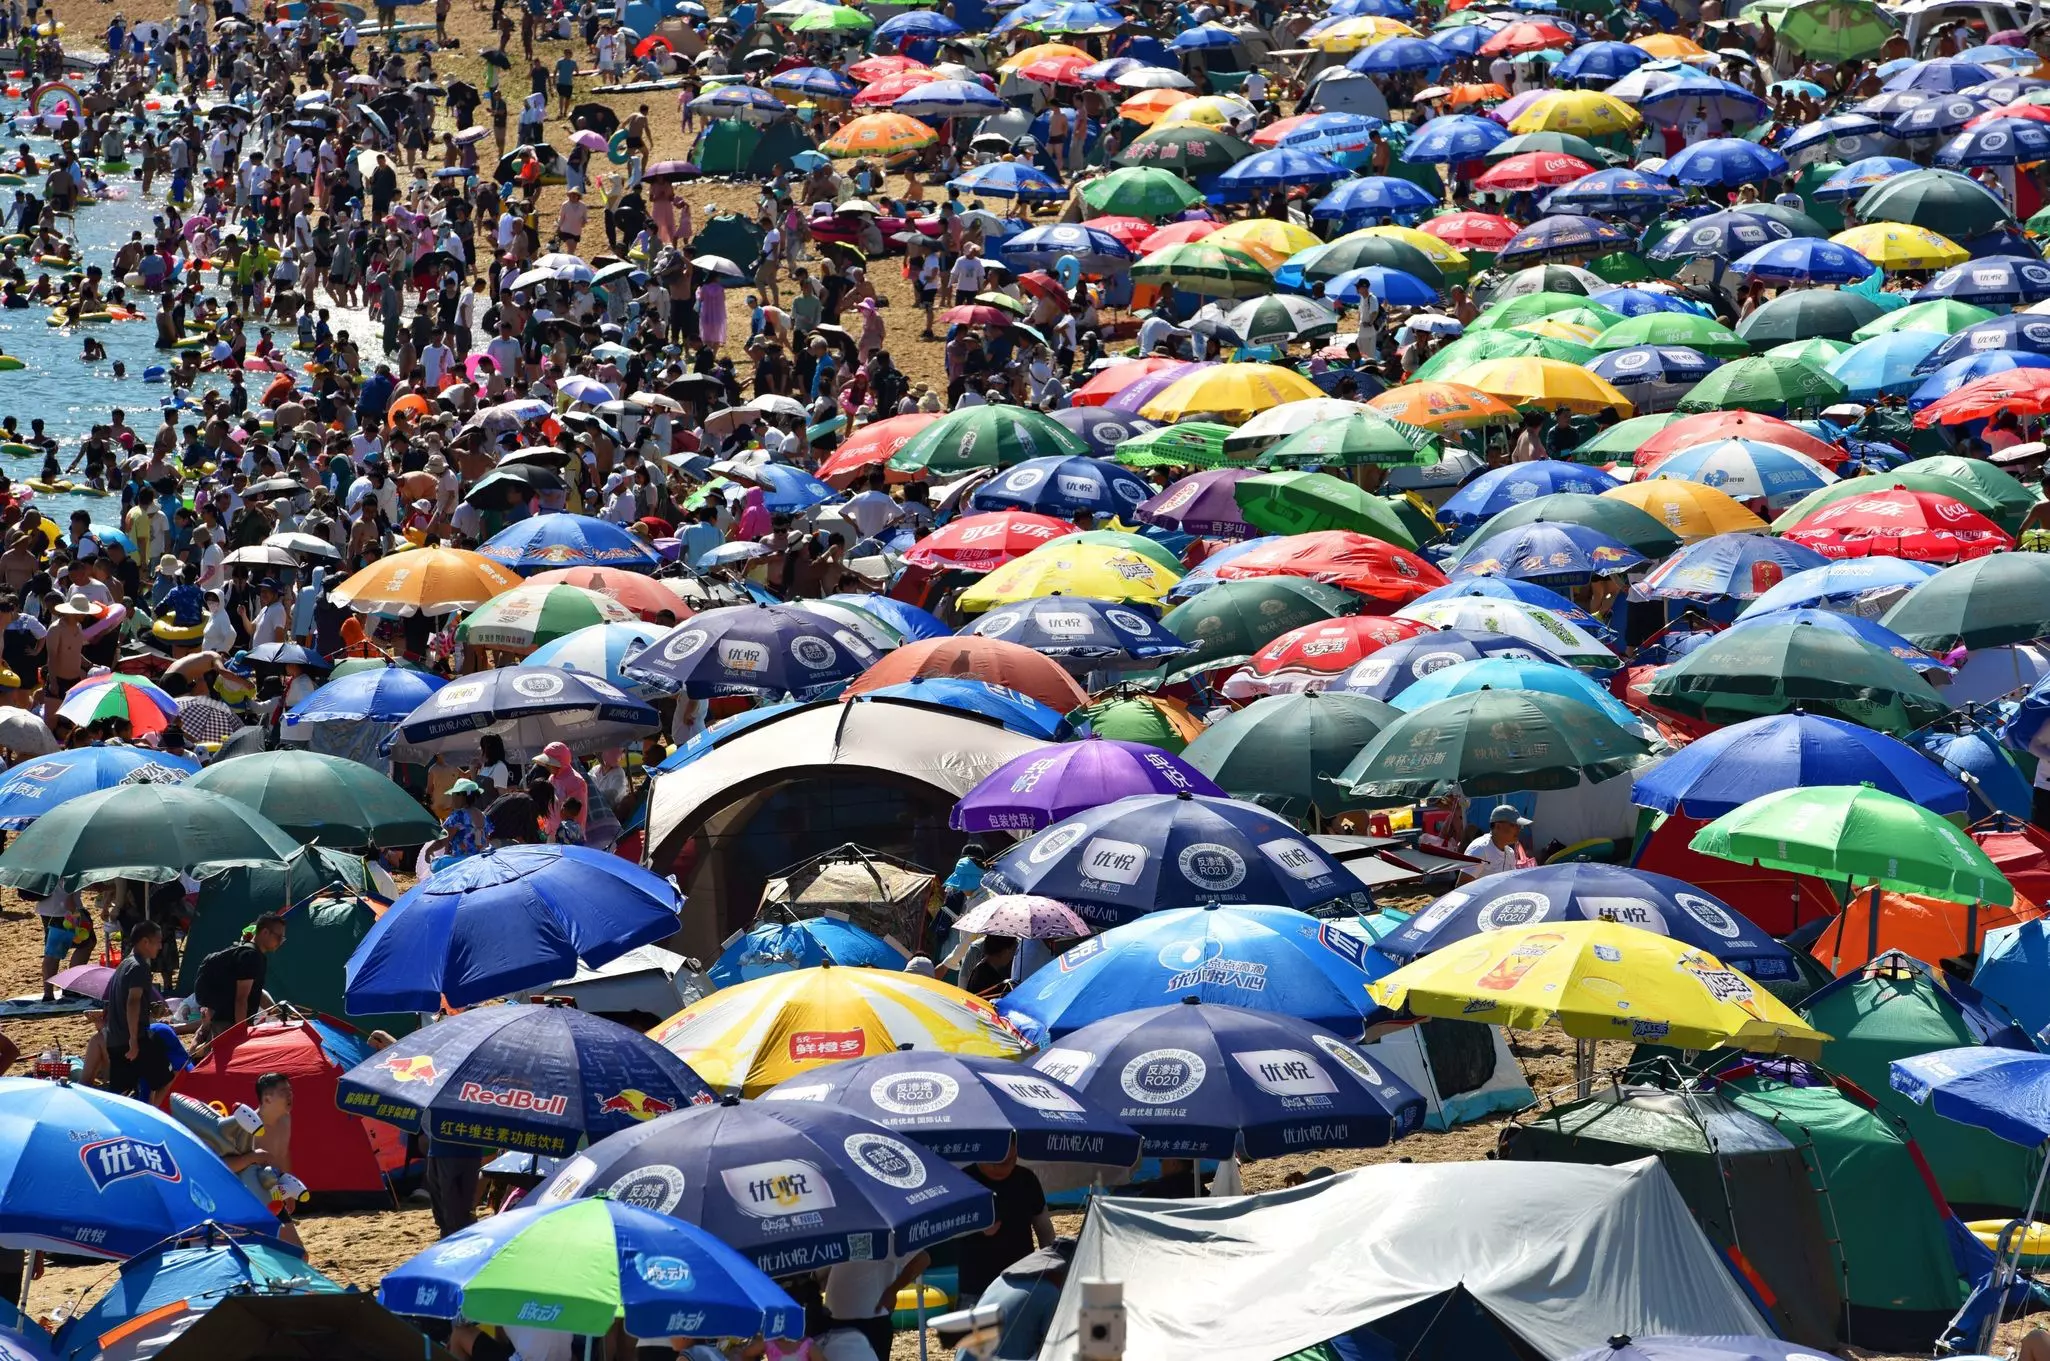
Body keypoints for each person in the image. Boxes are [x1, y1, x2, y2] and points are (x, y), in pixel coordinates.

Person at [957, 1149, 1054, 1305]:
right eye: (997, 1162)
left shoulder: (1026, 1179)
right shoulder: (964, 1180)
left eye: (1010, 1159)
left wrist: (1052, 1269)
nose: (1004, 1166)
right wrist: (975, 1229)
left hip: (1021, 1283)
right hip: (977, 1288)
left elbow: (1045, 1231)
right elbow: (948, 1231)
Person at [192, 911, 286, 1038]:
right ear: (265, 932)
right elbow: (241, 999)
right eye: (279, 937)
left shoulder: (254, 954)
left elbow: (257, 991)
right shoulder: (250, 957)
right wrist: (241, 1033)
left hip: (227, 1020)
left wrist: (281, 1015)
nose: (281, 942)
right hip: (228, 1024)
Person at [104, 919, 167, 1102]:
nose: (160, 946)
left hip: (115, 1038)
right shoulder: (139, 967)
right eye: (158, 941)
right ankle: (153, 1120)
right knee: (165, 1081)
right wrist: (133, 1040)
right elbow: (132, 1002)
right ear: (145, 942)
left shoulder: (124, 965)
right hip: (133, 1038)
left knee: (121, 1095)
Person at [1461, 805, 1535, 880]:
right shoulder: (1480, 849)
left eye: (1520, 826)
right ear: (1498, 826)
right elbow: (1461, 887)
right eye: (1514, 825)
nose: (1519, 829)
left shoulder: (1510, 853)